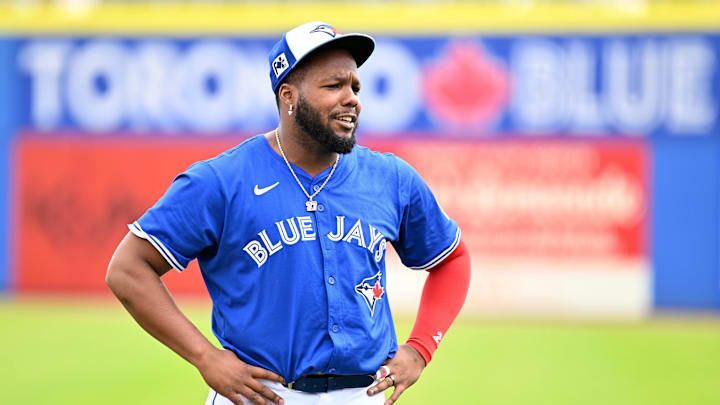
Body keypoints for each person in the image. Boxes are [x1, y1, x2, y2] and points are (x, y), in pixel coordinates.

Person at [106, 21, 471, 405]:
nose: (352, 99)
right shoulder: (222, 180)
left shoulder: (389, 177)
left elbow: (453, 259)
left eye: (355, 87)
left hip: (362, 394)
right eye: (334, 86)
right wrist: (206, 357)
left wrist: (420, 348)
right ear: (289, 96)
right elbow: (128, 268)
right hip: (260, 394)